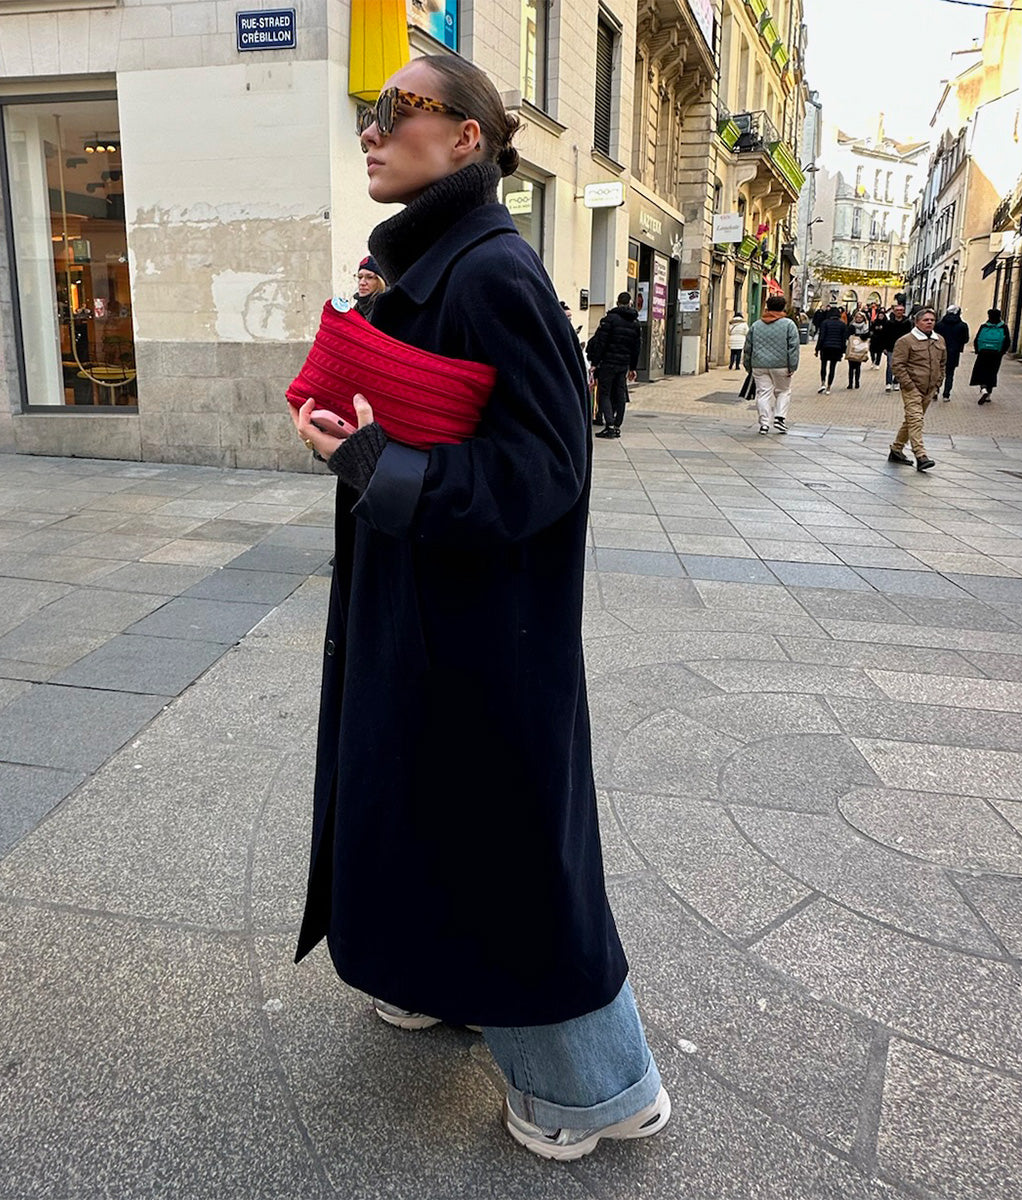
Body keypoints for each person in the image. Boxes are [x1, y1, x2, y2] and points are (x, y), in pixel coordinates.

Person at [289, 53, 667, 1161]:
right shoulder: (428, 263)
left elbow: (547, 470)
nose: (373, 129)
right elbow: (420, 427)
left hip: (484, 634)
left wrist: (378, 465)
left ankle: (597, 1091)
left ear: (467, 140)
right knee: (422, 811)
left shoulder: (492, 272)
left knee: (505, 848)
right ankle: (432, 979)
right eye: (370, 111)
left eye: (399, 109)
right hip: (428, 610)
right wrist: (357, 444)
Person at [887, 306, 945, 472]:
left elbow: (942, 363)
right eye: (926, 320)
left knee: (911, 421)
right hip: (912, 387)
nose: (929, 323)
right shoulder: (906, 341)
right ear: (917, 322)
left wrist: (938, 383)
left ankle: (896, 449)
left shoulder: (939, 340)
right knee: (916, 419)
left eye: (932, 320)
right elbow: (897, 365)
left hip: (930, 388)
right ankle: (920, 455)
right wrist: (908, 384)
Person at [586, 291, 641, 439]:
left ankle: (609, 425)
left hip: (608, 363)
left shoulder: (609, 320)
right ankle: (617, 425)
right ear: (630, 303)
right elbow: (636, 348)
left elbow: (601, 343)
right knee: (620, 393)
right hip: (623, 364)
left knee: (604, 393)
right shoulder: (635, 324)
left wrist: (595, 363)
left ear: (617, 302)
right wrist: (633, 367)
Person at [743, 294, 799, 434]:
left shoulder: (756, 325)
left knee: (763, 393)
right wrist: (793, 366)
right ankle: (779, 418)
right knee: (783, 391)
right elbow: (793, 347)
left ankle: (764, 424)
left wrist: (748, 365)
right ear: (783, 307)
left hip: (759, 365)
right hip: (781, 365)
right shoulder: (789, 325)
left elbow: (748, 347)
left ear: (767, 307)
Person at [970, 307, 1012, 404]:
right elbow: (1007, 341)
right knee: (992, 372)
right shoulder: (1003, 327)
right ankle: (988, 394)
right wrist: (1002, 352)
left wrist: (977, 351)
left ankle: (983, 388)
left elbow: (977, 339)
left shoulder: (984, 326)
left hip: (983, 352)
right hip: (996, 354)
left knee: (981, 371)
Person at [934, 305, 969, 401]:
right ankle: (946, 395)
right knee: (950, 374)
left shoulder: (939, 324)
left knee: (937, 372)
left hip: (939, 351)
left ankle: (935, 390)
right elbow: (965, 339)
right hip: (954, 352)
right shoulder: (962, 326)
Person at [877, 304, 913, 391]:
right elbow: (884, 335)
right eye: (897, 310)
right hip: (891, 347)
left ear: (903, 311)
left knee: (901, 366)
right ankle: (888, 383)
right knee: (890, 365)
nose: (899, 312)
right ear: (894, 311)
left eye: (901, 310)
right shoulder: (889, 323)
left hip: (903, 348)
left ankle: (896, 381)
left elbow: (910, 335)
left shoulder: (907, 323)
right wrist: (884, 347)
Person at [814, 303, 846, 392]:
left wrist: (817, 349)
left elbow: (821, 337)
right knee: (833, 367)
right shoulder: (842, 325)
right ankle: (829, 387)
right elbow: (843, 339)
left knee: (823, 365)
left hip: (825, 347)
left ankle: (823, 383)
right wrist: (843, 350)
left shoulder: (825, 323)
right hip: (837, 348)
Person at [353, 255, 386, 319]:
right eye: (360, 277)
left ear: (381, 281)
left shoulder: (387, 309)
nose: (362, 283)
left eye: (369, 277)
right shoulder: (359, 309)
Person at [845, 311, 870, 389]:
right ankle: (850, 383)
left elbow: (867, 336)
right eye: (857, 317)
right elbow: (847, 335)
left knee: (858, 366)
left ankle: (857, 382)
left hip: (860, 348)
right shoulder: (851, 326)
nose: (859, 319)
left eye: (860, 317)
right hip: (852, 348)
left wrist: (862, 336)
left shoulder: (865, 326)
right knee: (851, 367)